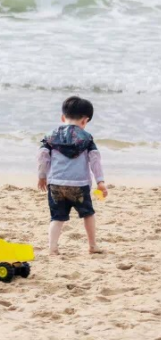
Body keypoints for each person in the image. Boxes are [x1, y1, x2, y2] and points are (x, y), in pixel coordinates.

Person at [37, 96, 107, 255]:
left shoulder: (51, 137)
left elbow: (42, 156)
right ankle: (92, 245)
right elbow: (95, 159)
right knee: (88, 214)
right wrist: (100, 181)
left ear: (63, 117)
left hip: (56, 184)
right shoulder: (87, 139)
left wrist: (42, 176)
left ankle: (52, 248)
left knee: (57, 218)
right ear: (85, 120)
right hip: (79, 185)